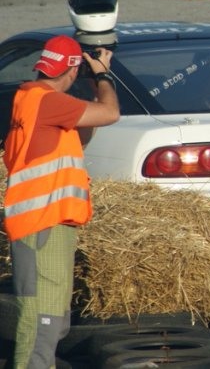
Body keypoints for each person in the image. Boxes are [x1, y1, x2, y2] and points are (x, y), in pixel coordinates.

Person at [4, 35, 120, 368]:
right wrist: (102, 76)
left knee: (53, 319)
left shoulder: (32, 99)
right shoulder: (47, 103)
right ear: (71, 68)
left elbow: (87, 128)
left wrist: (87, 85)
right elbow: (110, 112)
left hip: (45, 226)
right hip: (43, 226)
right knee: (43, 323)